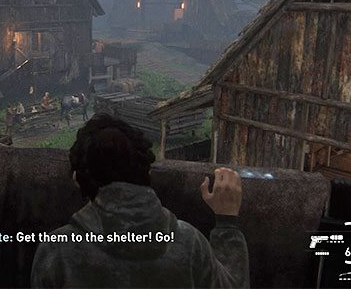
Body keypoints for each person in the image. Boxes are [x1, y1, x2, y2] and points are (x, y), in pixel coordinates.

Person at [31, 114, 249, 288]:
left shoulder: (56, 250)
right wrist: (227, 222)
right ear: (147, 172)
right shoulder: (190, 244)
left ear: (77, 180)